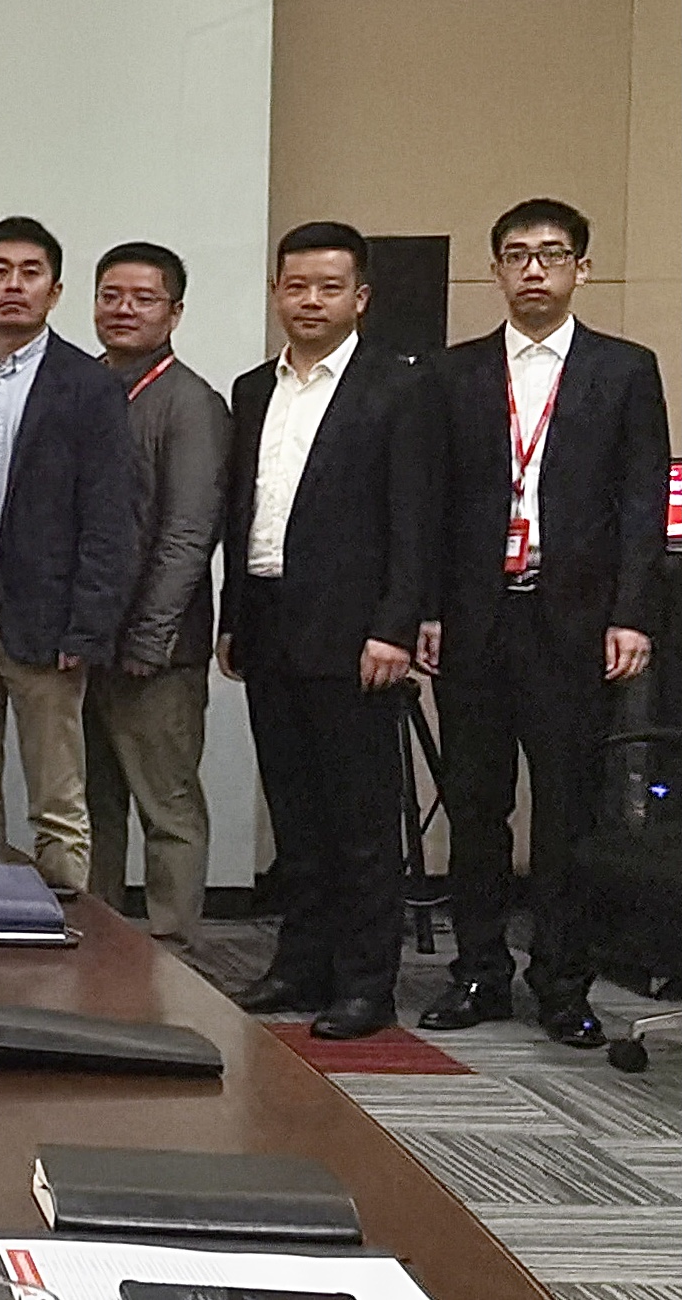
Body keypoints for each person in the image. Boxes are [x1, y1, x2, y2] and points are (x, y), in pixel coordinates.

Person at [420, 198, 667, 1046]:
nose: (533, 269)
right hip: (475, 618)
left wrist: (632, 616)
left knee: (567, 812)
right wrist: (427, 610)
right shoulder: (453, 373)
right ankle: (479, 972)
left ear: (581, 270)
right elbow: (432, 503)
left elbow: (642, 504)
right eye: (517, 255)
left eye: (552, 254)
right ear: (495, 270)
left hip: (575, 622)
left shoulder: (624, 369)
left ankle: (563, 983)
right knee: (475, 805)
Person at [220, 221, 440, 1041]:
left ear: (361, 297)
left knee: (361, 821)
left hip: (356, 635)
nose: (309, 301)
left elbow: (415, 519)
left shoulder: (399, 386)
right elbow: (243, 512)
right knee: (295, 813)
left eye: (328, 287)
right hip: (269, 620)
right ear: (277, 292)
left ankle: (365, 985)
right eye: (296, 286)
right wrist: (234, 618)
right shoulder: (254, 388)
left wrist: (395, 627)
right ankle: (300, 965)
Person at [0, 217, 137, 892]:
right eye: (0, 271)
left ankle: (69, 929)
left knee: (57, 798)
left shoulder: (89, 385)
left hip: (47, 614)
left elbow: (109, 517)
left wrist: (88, 626)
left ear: (55, 291)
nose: (13, 285)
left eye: (30, 273)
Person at [84, 240, 231, 949]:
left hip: (156, 651)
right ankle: (99, 946)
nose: (124, 310)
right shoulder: (83, 386)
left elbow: (188, 533)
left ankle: (172, 954)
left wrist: (150, 635)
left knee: (166, 805)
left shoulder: (191, 403)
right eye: (111, 295)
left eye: (143, 299)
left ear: (174, 312)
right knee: (92, 805)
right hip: (82, 643)